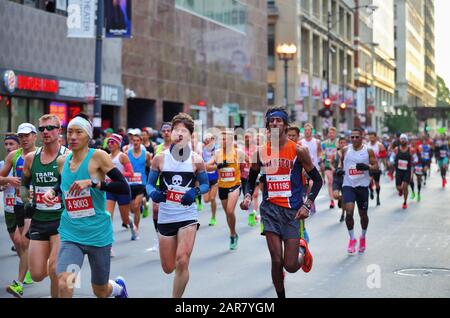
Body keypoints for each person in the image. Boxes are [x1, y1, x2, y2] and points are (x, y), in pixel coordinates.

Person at [42, 113, 129, 298]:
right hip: (71, 233)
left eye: (78, 132)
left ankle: (118, 288)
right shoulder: (62, 161)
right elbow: (62, 183)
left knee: (100, 291)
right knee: (65, 284)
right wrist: (53, 192)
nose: (72, 137)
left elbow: (123, 188)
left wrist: (94, 183)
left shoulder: (98, 157)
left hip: (97, 234)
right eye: (69, 132)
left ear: (88, 136)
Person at [240, 107, 322, 298]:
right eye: (271, 120)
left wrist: (307, 204)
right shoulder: (259, 152)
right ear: (268, 125)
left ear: (285, 125)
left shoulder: (298, 151)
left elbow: (317, 180)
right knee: (276, 261)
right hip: (270, 211)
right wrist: (247, 195)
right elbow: (251, 179)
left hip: (292, 212)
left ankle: (302, 248)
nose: (275, 123)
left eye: (279, 120)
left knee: (291, 266)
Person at [146, 113, 209, 298]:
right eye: (176, 130)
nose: (179, 134)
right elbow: (149, 184)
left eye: (184, 131)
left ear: (190, 135)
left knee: (182, 260)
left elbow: (205, 184)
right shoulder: (160, 158)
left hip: (187, 215)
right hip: (166, 215)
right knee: (168, 267)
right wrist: (152, 193)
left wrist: (194, 192)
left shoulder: (196, 160)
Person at [18, 115, 68, 298]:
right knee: (38, 274)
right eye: (42, 129)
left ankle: (64, 276)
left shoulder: (67, 156)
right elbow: (23, 185)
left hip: (62, 220)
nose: (46, 132)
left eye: (50, 128)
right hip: (39, 220)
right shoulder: (31, 158)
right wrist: (26, 202)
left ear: (59, 130)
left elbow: (70, 184)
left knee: (55, 267)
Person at [0, 123, 38, 297]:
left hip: (37, 203)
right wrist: (7, 179)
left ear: (34, 136)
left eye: (27, 135)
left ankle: (19, 282)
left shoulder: (40, 154)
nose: (24, 139)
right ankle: (29, 272)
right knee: (23, 244)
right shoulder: (13, 156)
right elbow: (1, 177)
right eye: (21, 136)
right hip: (18, 203)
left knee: (23, 241)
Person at [338, 128, 378, 255]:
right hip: (348, 185)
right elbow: (341, 164)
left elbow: (376, 167)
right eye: (352, 137)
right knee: (349, 213)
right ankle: (352, 239)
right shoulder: (345, 150)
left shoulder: (368, 151)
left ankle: (363, 237)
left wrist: (367, 167)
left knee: (363, 215)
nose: (354, 139)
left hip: (362, 186)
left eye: (357, 137)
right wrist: (339, 170)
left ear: (362, 137)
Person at [207, 130, 247, 250]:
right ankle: (233, 233)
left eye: (225, 139)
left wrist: (245, 165)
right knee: (228, 214)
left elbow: (250, 162)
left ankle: (233, 234)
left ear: (231, 140)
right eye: (221, 139)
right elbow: (206, 166)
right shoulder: (217, 153)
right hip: (222, 186)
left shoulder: (238, 152)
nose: (222, 141)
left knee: (230, 211)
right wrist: (218, 166)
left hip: (235, 184)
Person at [106, 133, 136, 241]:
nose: (109, 144)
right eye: (108, 142)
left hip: (122, 188)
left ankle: (131, 225)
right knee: (107, 216)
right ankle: (109, 243)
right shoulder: (106, 157)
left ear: (118, 144)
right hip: (110, 189)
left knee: (125, 219)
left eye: (112, 142)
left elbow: (131, 173)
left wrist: (118, 175)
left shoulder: (122, 156)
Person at [148, 123, 173, 252]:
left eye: (169, 130)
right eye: (164, 130)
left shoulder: (177, 147)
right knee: (156, 209)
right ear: (161, 133)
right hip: (158, 182)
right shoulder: (157, 148)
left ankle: (170, 237)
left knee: (170, 210)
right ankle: (159, 237)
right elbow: (153, 166)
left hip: (172, 183)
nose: (166, 132)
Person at [127, 130, 152, 238]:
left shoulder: (146, 155)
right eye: (134, 141)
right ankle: (144, 204)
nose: (136, 142)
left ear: (141, 142)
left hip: (141, 183)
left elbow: (148, 167)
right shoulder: (127, 153)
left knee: (136, 206)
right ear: (132, 142)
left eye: (138, 140)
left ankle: (136, 229)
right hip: (130, 183)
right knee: (132, 209)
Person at [0, 135, 21, 258]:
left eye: (11, 144)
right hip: (9, 208)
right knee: (17, 244)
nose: (8, 147)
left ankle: (28, 274)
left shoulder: (26, 160)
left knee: (21, 241)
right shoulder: (2, 164)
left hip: (22, 205)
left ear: (18, 145)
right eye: (6, 144)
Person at [202, 133, 219, 226]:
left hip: (215, 177)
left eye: (210, 139)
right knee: (206, 200)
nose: (208, 141)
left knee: (212, 198)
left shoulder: (217, 150)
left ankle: (213, 217)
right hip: (205, 177)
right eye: (206, 140)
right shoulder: (202, 150)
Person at [366, 132, 386, 206]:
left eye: (372, 137)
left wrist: (385, 166)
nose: (371, 139)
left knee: (377, 183)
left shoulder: (379, 145)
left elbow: (384, 156)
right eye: (370, 137)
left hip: (377, 167)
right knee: (369, 181)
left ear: (375, 137)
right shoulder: (366, 145)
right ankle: (371, 190)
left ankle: (378, 196)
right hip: (369, 166)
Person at [394, 134, 413, 209]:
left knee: (405, 186)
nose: (403, 140)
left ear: (407, 140)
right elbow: (392, 156)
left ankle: (405, 202)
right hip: (398, 171)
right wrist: (391, 161)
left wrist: (413, 169)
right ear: (400, 140)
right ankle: (400, 190)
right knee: (399, 187)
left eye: (404, 139)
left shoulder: (410, 149)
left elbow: (414, 159)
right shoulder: (396, 149)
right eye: (401, 139)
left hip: (407, 170)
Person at [322, 127, 338, 209]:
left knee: (336, 182)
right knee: (330, 182)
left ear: (335, 134)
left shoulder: (337, 143)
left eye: (332, 133)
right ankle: (331, 201)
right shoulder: (324, 143)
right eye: (330, 133)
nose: (331, 134)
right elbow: (322, 153)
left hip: (336, 166)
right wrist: (323, 158)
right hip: (327, 165)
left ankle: (338, 196)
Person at [333, 136, 348, 222]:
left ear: (346, 144)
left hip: (345, 178)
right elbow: (331, 163)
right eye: (341, 143)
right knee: (335, 195)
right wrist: (333, 168)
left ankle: (343, 214)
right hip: (337, 177)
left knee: (344, 199)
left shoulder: (349, 153)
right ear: (338, 144)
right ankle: (340, 200)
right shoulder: (336, 154)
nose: (342, 144)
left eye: (344, 143)